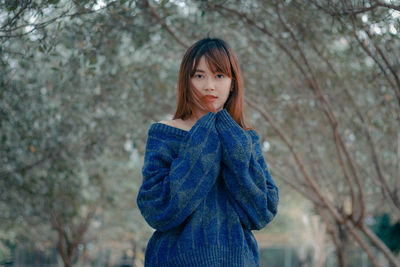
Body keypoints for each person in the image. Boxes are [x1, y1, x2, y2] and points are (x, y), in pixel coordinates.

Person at [136, 37, 279, 267]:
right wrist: (204, 130)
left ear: (233, 83)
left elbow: (262, 211)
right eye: (199, 75)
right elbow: (156, 210)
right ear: (186, 80)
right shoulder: (164, 134)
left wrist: (229, 135)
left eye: (219, 75)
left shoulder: (245, 139)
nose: (209, 85)